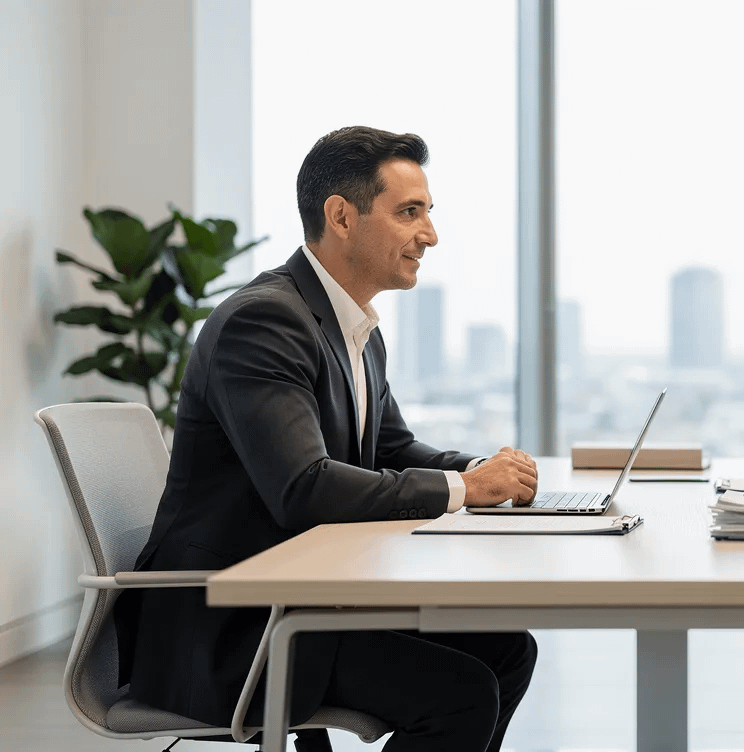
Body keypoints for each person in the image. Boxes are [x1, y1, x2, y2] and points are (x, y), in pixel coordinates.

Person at [114, 126, 540, 752]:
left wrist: (479, 470)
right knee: (462, 691)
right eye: (409, 213)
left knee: (507, 651)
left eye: (428, 213)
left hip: (301, 607)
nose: (430, 234)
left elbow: (392, 449)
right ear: (340, 216)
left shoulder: (355, 329)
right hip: (232, 631)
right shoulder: (264, 321)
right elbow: (305, 488)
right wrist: (464, 488)